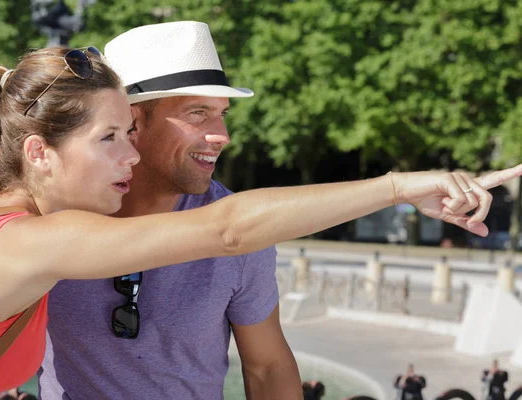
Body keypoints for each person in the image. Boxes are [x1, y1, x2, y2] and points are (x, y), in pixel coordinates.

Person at [37, 21, 522, 400]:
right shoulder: (50, 216)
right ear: (132, 121)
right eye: (197, 114)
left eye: (222, 114)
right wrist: (396, 188)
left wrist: (401, 188)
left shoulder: (243, 231)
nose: (222, 136)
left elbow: (267, 366)